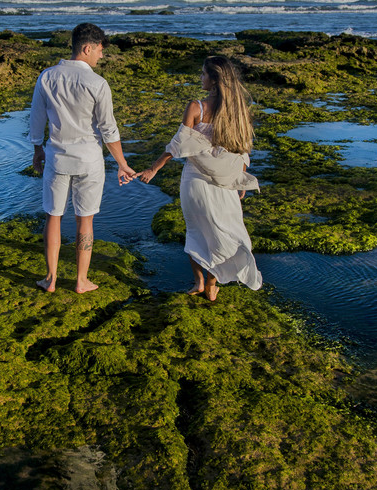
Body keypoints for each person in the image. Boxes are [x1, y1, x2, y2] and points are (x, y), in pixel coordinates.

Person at [138, 55, 262, 301]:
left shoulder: (197, 107)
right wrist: (241, 177)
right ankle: (213, 285)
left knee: (195, 230)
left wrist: (154, 168)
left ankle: (199, 282)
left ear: (214, 80)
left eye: (204, 74)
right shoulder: (239, 112)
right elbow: (244, 148)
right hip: (226, 180)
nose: (201, 78)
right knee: (222, 230)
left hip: (195, 178)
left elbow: (177, 145)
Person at [29, 23, 136, 293]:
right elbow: (108, 129)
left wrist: (37, 148)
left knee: (53, 215)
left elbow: (36, 119)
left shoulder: (47, 77)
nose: (101, 56)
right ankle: (80, 281)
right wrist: (122, 164)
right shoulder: (97, 83)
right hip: (88, 160)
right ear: (87, 48)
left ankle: (51, 279)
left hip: (56, 157)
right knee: (84, 219)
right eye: (99, 50)